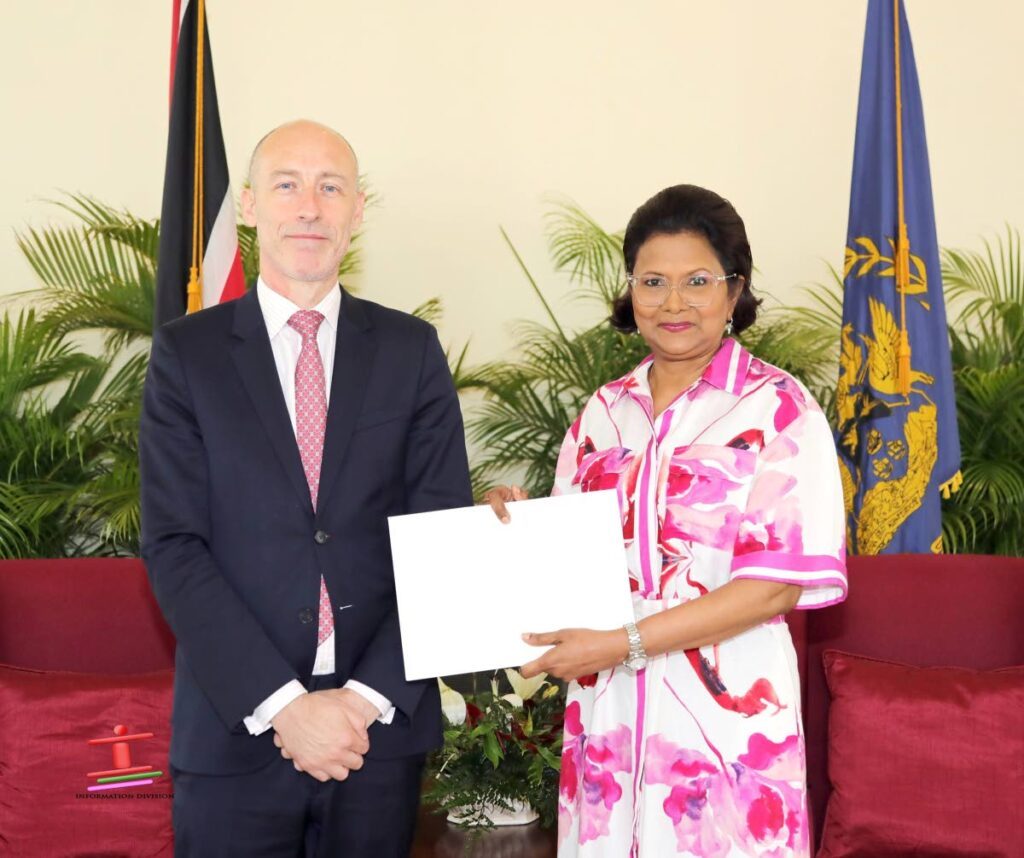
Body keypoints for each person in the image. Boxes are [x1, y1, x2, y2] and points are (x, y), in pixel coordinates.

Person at [140, 119, 472, 856]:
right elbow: (174, 544)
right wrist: (287, 708)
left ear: (358, 211)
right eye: (288, 185)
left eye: (332, 187)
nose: (310, 207)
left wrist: (359, 703)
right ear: (252, 205)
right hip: (237, 732)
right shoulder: (186, 354)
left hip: (376, 736)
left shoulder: (410, 351)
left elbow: (441, 533)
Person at [487, 185, 847, 856]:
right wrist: (512, 524)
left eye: (697, 281)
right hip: (607, 724)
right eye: (653, 281)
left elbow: (772, 588)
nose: (673, 302)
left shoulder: (779, 410)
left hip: (728, 729)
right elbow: (569, 565)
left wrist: (625, 642)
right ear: (631, 290)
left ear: (735, 290)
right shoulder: (602, 412)